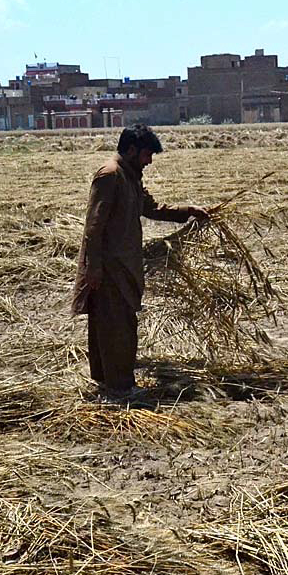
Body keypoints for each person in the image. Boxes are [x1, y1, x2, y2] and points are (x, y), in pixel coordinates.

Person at [72, 125, 208, 400]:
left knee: (112, 325)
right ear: (131, 150)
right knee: (116, 328)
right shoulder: (110, 176)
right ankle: (120, 388)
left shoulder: (130, 177)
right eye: (147, 154)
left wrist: (189, 211)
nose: (149, 161)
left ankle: (108, 382)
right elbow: (93, 228)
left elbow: (152, 209)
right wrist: (94, 268)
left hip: (124, 267)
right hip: (109, 269)